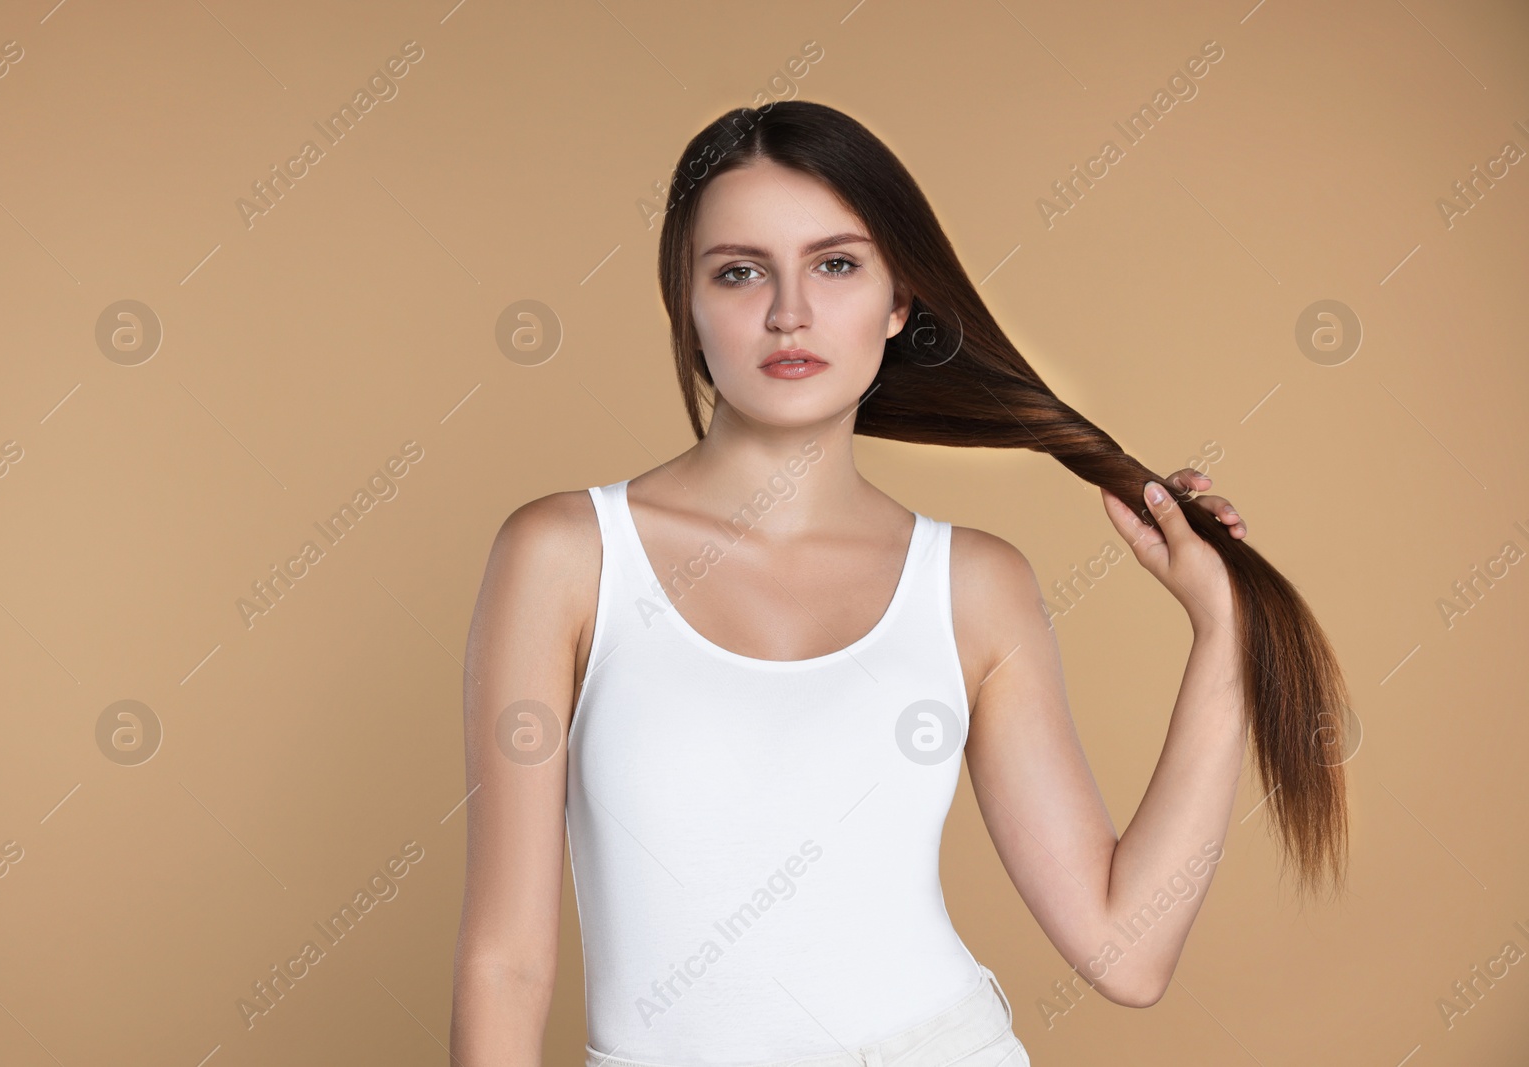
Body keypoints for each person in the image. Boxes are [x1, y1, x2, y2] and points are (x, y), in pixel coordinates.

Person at [451, 101, 1350, 1067]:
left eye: (836, 264)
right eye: (740, 271)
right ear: (686, 301)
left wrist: (1222, 629)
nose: (788, 311)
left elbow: (1124, 951)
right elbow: (506, 965)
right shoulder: (566, 555)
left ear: (897, 303)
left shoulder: (973, 586)